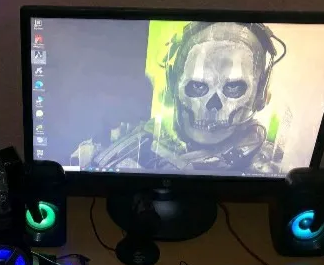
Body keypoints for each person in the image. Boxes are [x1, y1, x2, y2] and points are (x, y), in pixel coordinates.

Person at [70, 22, 285, 174]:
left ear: (260, 93)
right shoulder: (138, 140)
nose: (213, 106)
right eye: (198, 86)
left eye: (234, 87)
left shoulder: (272, 167)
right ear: (174, 84)